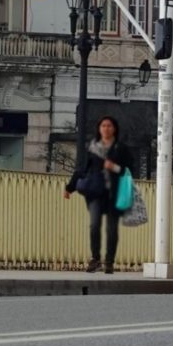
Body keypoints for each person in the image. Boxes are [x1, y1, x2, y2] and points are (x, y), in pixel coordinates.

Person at [64, 115, 132, 274]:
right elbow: (82, 169)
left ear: (114, 129)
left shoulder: (120, 148)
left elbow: (129, 169)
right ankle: (95, 259)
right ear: (99, 129)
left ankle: (109, 262)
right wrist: (70, 187)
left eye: (109, 126)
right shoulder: (92, 147)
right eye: (103, 126)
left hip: (114, 193)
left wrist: (114, 167)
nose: (106, 128)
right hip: (95, 191)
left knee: (111, 229)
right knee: (94, 225)